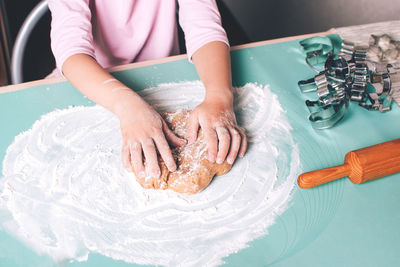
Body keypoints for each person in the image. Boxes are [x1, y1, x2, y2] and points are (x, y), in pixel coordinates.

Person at [47, 0, 247, 180]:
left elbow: (204, 26)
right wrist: (127, 106)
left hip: (165, 74)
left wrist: (219, 96)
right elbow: (71, 49)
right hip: (89, 83)